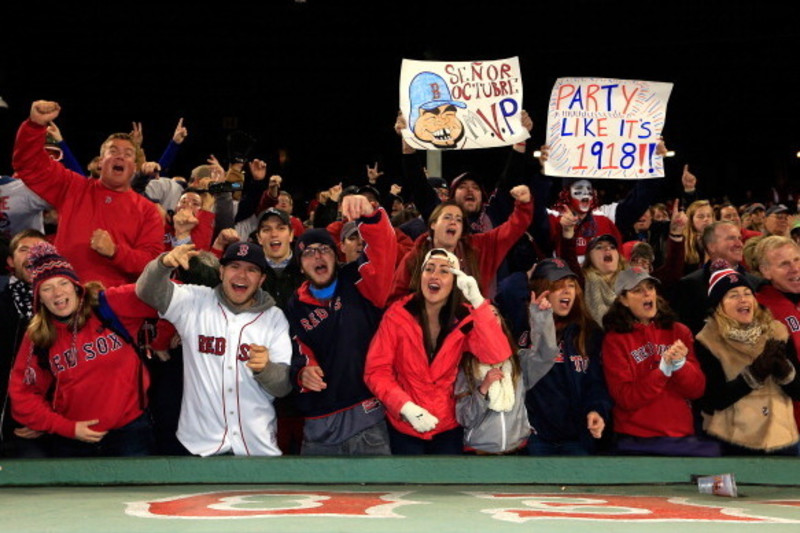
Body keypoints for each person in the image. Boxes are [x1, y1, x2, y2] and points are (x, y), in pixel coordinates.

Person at [136, 241, 292, 456]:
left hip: (257, 446)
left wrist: (266, 369)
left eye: (251, 270)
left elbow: (283, 386)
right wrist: (163, 264)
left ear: (262, 279)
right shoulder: (195, 301)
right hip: (199, 446)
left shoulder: (274, 318)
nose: (241, 275)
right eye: (234, 266)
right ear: (221, 271)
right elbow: (146, 291)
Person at [9, 242, 157, 457]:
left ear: (76, 286)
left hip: (130, 435)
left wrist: (162, 335)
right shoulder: (37, 336)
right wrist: (64, 427)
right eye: (47, 288)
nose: (57, 293)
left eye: (63, 283)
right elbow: (23, 397)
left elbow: (169, 297)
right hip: (72, 443)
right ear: (39, 298)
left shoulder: (109, 305)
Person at [364, 249, 512, 454]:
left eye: (444, 271)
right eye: (429, 269)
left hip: (448, 426)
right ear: (421, 276)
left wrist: (478, 302)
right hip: (404, 426)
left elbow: (496, 354)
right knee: (408, 486)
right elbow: (376, 370)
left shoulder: (465, 317)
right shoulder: (398, 314)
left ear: (455, 281)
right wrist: (405, 407)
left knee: (447, 486)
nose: (434, 275)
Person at [287, 195, 397, 455]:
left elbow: (384, 251)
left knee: (377, 496)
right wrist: (302, 373)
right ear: (301, 266)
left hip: (366, 418)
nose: (317, 257)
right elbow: (295, 350)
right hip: (318, 424)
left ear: (336, 257)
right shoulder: (294, 304)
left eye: (324, 250)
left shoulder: (360, 281)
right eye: (308, 253)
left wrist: (371, 216)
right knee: (314, 498)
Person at [12, 100, 164, 288]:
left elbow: (153, 265)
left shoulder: (148, 211)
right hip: (63, 298)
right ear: (101, 162)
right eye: (113, 151)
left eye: (128, 154)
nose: (120, 156)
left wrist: (115, 252)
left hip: (113, 307)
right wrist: (34, 126)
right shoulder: (73, 187)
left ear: (134, 167)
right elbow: (29, 165)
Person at [602, 267, 718, 456]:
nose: (647, 293)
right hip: (635, 439)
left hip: (681, 435)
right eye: (637, 290)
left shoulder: (679, 331)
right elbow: (625, 397)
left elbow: (697, 390)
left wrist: (681, 366)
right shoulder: (615, 340)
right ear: (623, 300)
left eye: (650, 287)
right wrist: (662, 372)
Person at [696, 264, 800, 455]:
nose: (743, 299)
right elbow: (713, 399)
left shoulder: (778, 331)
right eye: (733, 295)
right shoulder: (707, 340)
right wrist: (754, 374)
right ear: (719, 304)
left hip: (783, 438)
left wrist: (786, 372)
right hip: (734, 440)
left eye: (747, 293)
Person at [515, 258, 611, 455]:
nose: (567, 291)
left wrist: (597, 410)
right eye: (558, 286)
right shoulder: (522, 329)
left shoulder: (588, 332)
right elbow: (506, 292)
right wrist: (524, 277)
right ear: (541, 288)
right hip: (533, 436)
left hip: (578, 436)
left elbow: (596, 383)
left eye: (571, 285)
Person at [390, 185, 533, 302]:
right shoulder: (416, 255)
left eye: (458, 219)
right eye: (447, 217)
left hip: (469, 328)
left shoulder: (478, 248)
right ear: (433, 224)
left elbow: (511, 230)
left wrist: (524, 205)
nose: (453, 221)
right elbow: (396, 298)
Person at [455, 298, 558, 455]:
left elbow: (546, 355)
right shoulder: (466, 367)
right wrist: (483, 389)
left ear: (501, 321)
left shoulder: (518, 361)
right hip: (479, 453)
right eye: (484, 315)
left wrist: (541, 318)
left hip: (518, 451)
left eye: (495, 314)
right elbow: (464, 418)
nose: (490, 319)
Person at [1, 229, 47, 456]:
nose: (31, 255)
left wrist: (45, 418)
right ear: (11, 261)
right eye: (23, 250)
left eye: (39, 249)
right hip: (12, 422)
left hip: (62, 421)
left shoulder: (69, 304)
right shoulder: (3, 305)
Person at [755, 236, 800, 432]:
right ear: (766, 271)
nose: (795, 268)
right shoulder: (758, 308)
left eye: (797, 259)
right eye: (784, 264)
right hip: (786, 423)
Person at [581, 234, 626, 326]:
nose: (607, 249)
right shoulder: (582, 281)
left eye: (612, 247)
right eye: (599, 247)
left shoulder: (633, 281)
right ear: (589, 257)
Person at [682, 199, 714, 274]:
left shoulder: (720, 239)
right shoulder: (682, 243)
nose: (706, 219)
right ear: (691, 221)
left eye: (709, 216)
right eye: (701, 216)